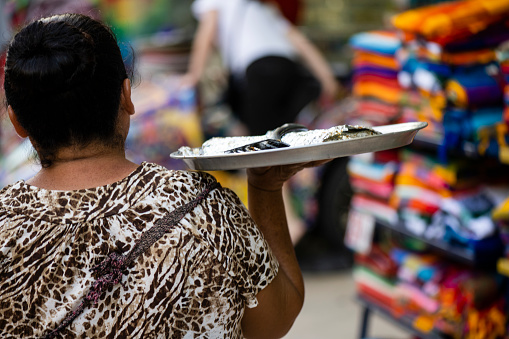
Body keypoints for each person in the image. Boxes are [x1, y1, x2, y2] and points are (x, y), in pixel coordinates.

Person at [0, 13, 329, 338]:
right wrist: (266, 188)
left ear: (17, 122)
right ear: (127, 97)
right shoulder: (208, 210)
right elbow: (274, 321)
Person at [182, 0, 340, 136]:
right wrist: (328, 79)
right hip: (290, 69)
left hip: (260, 70)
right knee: (287, 139)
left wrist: (193, 75)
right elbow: (300, 42)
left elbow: (206, 33)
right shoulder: (264, 7)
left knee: (263, 146)